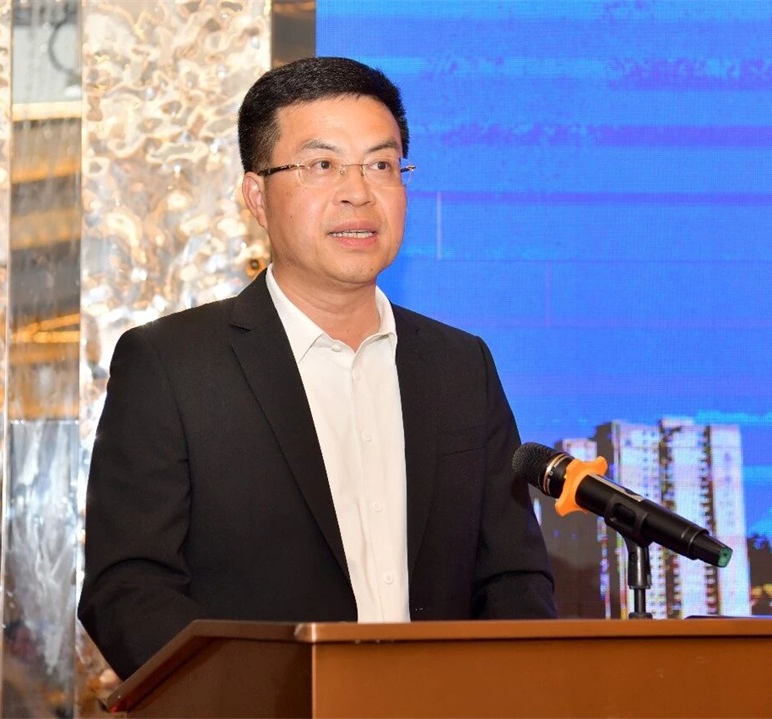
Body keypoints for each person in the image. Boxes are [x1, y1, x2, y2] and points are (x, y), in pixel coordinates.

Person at [78, 56, 557, 680]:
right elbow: (129, 590)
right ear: (257, 196)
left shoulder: (461, 365)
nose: (358, 191)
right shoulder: (173, 365)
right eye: (322, 165)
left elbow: (514, 578)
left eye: (381, 165)